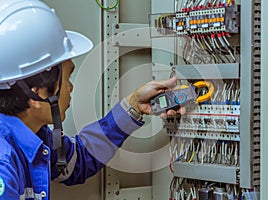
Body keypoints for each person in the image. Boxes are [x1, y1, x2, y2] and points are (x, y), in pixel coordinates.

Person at [0, 0, 185, 199]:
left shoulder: (35, 135)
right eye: (68, 77)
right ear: (36, 92)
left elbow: (77, 161)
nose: (71, 87)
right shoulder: (4, 164)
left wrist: (133, 106)